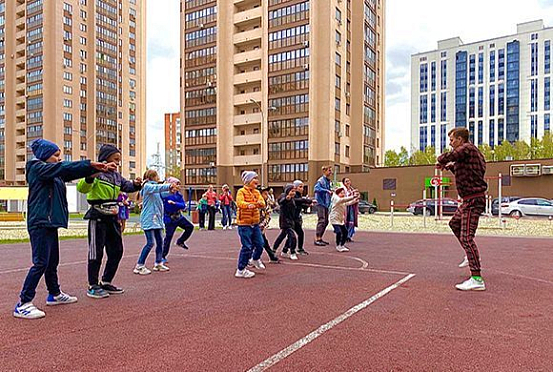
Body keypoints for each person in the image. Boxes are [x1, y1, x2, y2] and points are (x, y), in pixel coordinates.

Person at [14, 139, 114, 319]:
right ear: (45, 155)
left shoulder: (53, 173)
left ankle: (54, 294)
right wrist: (90, 163)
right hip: (40, 223)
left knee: (52, 262)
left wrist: (96, 169)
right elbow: (63, 169)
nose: (59, 159)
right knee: (40, 263)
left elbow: (68, 172)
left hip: (50, 223)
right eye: (56, 155)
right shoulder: (37, 168)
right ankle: (23, 303)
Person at [77, 144, 142, 299]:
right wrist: (95, 172)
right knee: (96, 251)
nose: (118, 162)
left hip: (113, 217)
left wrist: (137, 184)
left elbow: (127, 186)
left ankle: (106, 281)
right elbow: (82, 188)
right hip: (97, 216)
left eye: (119, 159)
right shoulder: (96, 173)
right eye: (115, 159)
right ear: (105, 159)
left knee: (117, 250)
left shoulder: (117, 176)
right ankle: (92, 285)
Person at [436, 127, 488, 291]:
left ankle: (477, 279)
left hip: (473, 200)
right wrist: (449, 167)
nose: (450, 143)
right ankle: (470, 254)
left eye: (452, 140)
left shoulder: (467, 148)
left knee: (467, 237)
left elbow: (448, 156)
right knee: (454, 224)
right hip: (468, 201)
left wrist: (442, 160)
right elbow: (463, 170)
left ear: (460, 139)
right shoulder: (470, 155)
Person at [134, 170, 177, 275]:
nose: (158, 178)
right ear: (153, 177)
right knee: (150, 243)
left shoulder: (155, 188)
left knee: (160, 241)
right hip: (149, 218)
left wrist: (172, 190)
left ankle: (158, 263)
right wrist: (168, 185)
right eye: (157, 176)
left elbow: (163, 193)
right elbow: (157, 188)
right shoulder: (147, 186)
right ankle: (139, 265)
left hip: (157, 219)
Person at [235, 171, 266, 278]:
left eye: (257, 178)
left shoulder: (257, 192)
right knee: (247, 246)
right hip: (244, 224)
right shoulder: (241, 191)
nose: (256, 181)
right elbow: (240, 203)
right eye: (254, 178)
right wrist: (249, 205)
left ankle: (255, 259)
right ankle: (241, 269)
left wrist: (255, 204)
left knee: (260, 244)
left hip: (255, 223)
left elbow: (262, 203)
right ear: (248, 181)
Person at [277, 180, 315, 256]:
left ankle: (286, 250)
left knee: (293, 235)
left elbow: (299, 204)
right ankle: (285, 250)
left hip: (295, 218)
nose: (302, 189)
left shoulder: (297, 195)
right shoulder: (290, 196)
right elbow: (298, 201)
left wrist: (308, 205)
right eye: (300, 187)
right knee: (288, 235)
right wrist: (308, 201)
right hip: (290, 219)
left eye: (303, 187)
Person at [161, 177, 194, 263]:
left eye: (179, 184)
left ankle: (180, 241)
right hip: (170, 219)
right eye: (176, 184)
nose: (178, 186)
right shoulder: (165, 195)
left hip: (178, 217)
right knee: (168, 237)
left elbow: (183, 205)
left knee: (189, 227)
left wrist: (175, 203)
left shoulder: (178, 195)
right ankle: (162, 256)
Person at [329, 187, 360, 252]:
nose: (343, 194)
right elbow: (343, 200)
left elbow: (347, 203)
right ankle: (338, 245)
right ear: (338, 193)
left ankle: (342, 245)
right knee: (338, 232)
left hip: (340, 219)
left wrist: (355, 200)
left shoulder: (341, 200)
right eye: (341, 193)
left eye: (343, 193)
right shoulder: (336, 199)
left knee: (345, 232)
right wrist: (353, 197)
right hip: (334, 218)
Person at [273, 184, 299, 260]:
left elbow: (300, 201)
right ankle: (292, 252)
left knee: (283, 236)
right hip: (285, 222)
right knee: (293, 237)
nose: (293, 193)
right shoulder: (284, 197)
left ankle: (281, 250)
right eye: (292, 191)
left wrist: (308, 203)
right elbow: (281, 202)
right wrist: (286, 199)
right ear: (287, 191)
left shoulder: (293, 199)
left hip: (291, 221)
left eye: (294, 191)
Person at [314, 166, 333, 246]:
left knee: (325, 221)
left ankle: (320, 237)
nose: (330, 172)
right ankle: (317, 238)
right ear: (324, 171)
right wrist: (326, 191)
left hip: (325, 203)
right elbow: (316, 189)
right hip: (320, 203)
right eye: (329, 170)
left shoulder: (327, 181)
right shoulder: (321, 180)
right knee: (322, 220)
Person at [259, 186, 280, 263]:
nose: (267, 196)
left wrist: (264, 225)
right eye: (265, 194)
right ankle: (251, 259)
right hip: (254, 226)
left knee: (263, 242)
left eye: (267, 194)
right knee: (257, 243)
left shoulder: (266, 204)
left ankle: (272, 256)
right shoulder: (257, 204)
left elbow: (267, 215)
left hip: (261, 226)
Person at [342, 177, 359, 242]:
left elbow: (356, 197)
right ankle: (344, 236)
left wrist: (357, 196)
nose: (348, 182)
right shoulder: (343, 190)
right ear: (344, 183)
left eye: (349, 181)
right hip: (345, 207)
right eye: (346, 181)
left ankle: (349, 236)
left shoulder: (352, 189)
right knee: (345, 221)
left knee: (351, 221)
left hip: (352, 206)